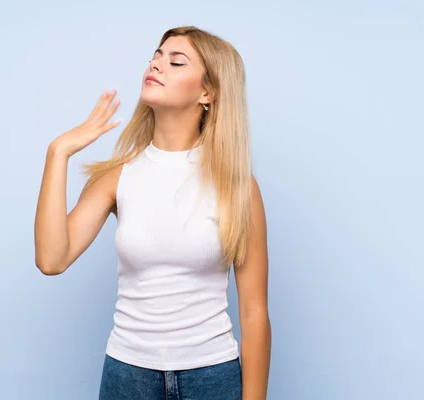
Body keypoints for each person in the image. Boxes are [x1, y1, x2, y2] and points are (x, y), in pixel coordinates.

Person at [34, 26, 271, 400]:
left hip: (212, 377)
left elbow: (255, 311)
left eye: (176, 61)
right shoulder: (118, 177)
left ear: (207, 93)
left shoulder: (237, 186)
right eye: (156, 57)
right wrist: (58, 152)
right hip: (128, 377)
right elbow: (51, 259)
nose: (157, 65)